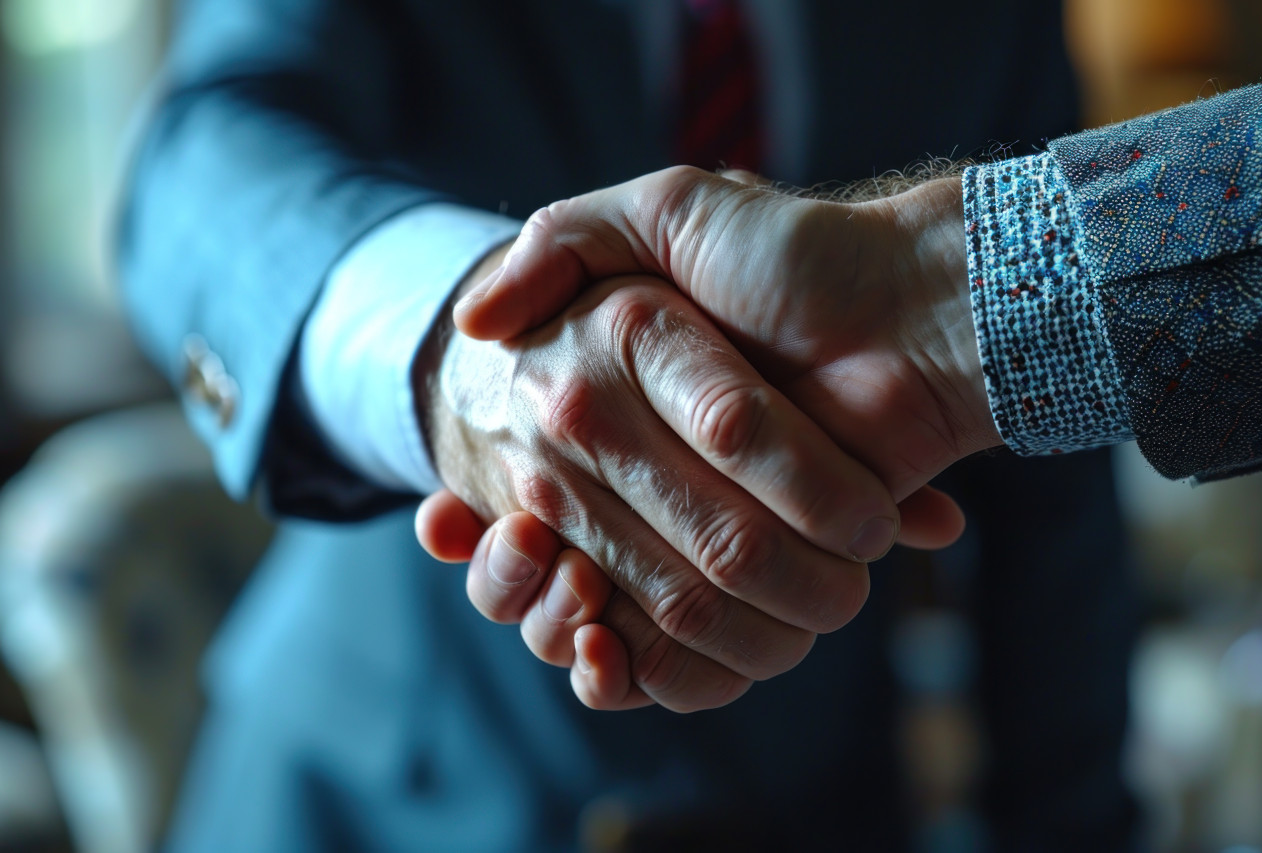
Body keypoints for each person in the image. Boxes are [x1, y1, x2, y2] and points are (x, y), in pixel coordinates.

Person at [116, 0, 1137, 848]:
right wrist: (454, 351)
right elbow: (203, 159)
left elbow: (1050, 476)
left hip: (810, 792)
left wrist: (1073, 824)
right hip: (381, 786)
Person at [431, 82, 1262, 706]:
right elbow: (292, 170)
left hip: (845, 758)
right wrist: (461, 361)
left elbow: (1058, 527)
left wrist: (945, 307)